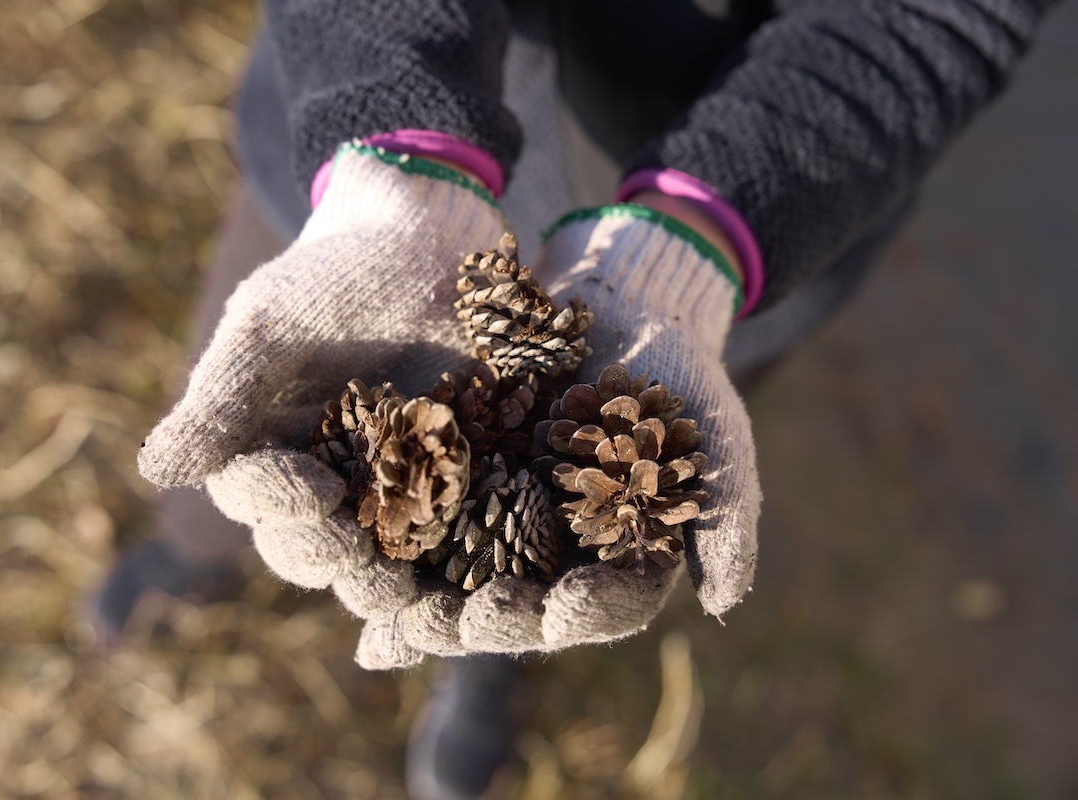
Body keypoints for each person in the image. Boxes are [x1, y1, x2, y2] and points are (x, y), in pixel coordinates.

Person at [93, 1, 1058, 797]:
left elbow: (939, 16)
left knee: (570, 558)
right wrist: (392, 149)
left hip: (745, 217)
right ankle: (190, 551)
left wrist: (695, 249)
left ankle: (488, 659)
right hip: (365, 143)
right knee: (271, 396)